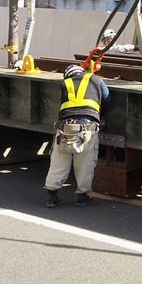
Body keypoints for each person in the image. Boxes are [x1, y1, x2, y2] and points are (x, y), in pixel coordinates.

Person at [44, 64, 110, 208]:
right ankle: (82, 197)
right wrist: (99, 114)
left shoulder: (65, 83)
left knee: (59, 161)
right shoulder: (96, 79)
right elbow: (106, 98)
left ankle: (51, 196)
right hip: (87, 126)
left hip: (64, 126)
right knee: (85, 162)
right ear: (81, 72)